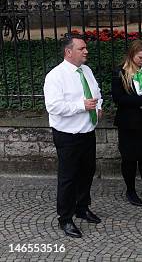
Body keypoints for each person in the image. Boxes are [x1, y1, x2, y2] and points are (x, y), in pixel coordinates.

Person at [44, 35, 103, 238]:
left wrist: (99, 107)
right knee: (68, 178)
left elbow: (97, 93)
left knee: (87, 172)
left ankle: (82, 207)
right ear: (68, 52)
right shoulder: (55, 76)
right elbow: (53, 106)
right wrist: (81, 106)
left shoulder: (86, 70)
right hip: (67, 135)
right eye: (81, 48)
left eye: (86, 48)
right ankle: (65, 218)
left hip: (88, 132)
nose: (86, 51)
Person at [111, 39, 142, 207]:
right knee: (130, 158)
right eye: (140, 58)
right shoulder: (121, 72)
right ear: (132, 55)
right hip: (130, 123)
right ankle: (131, 190)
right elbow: (118, 98)